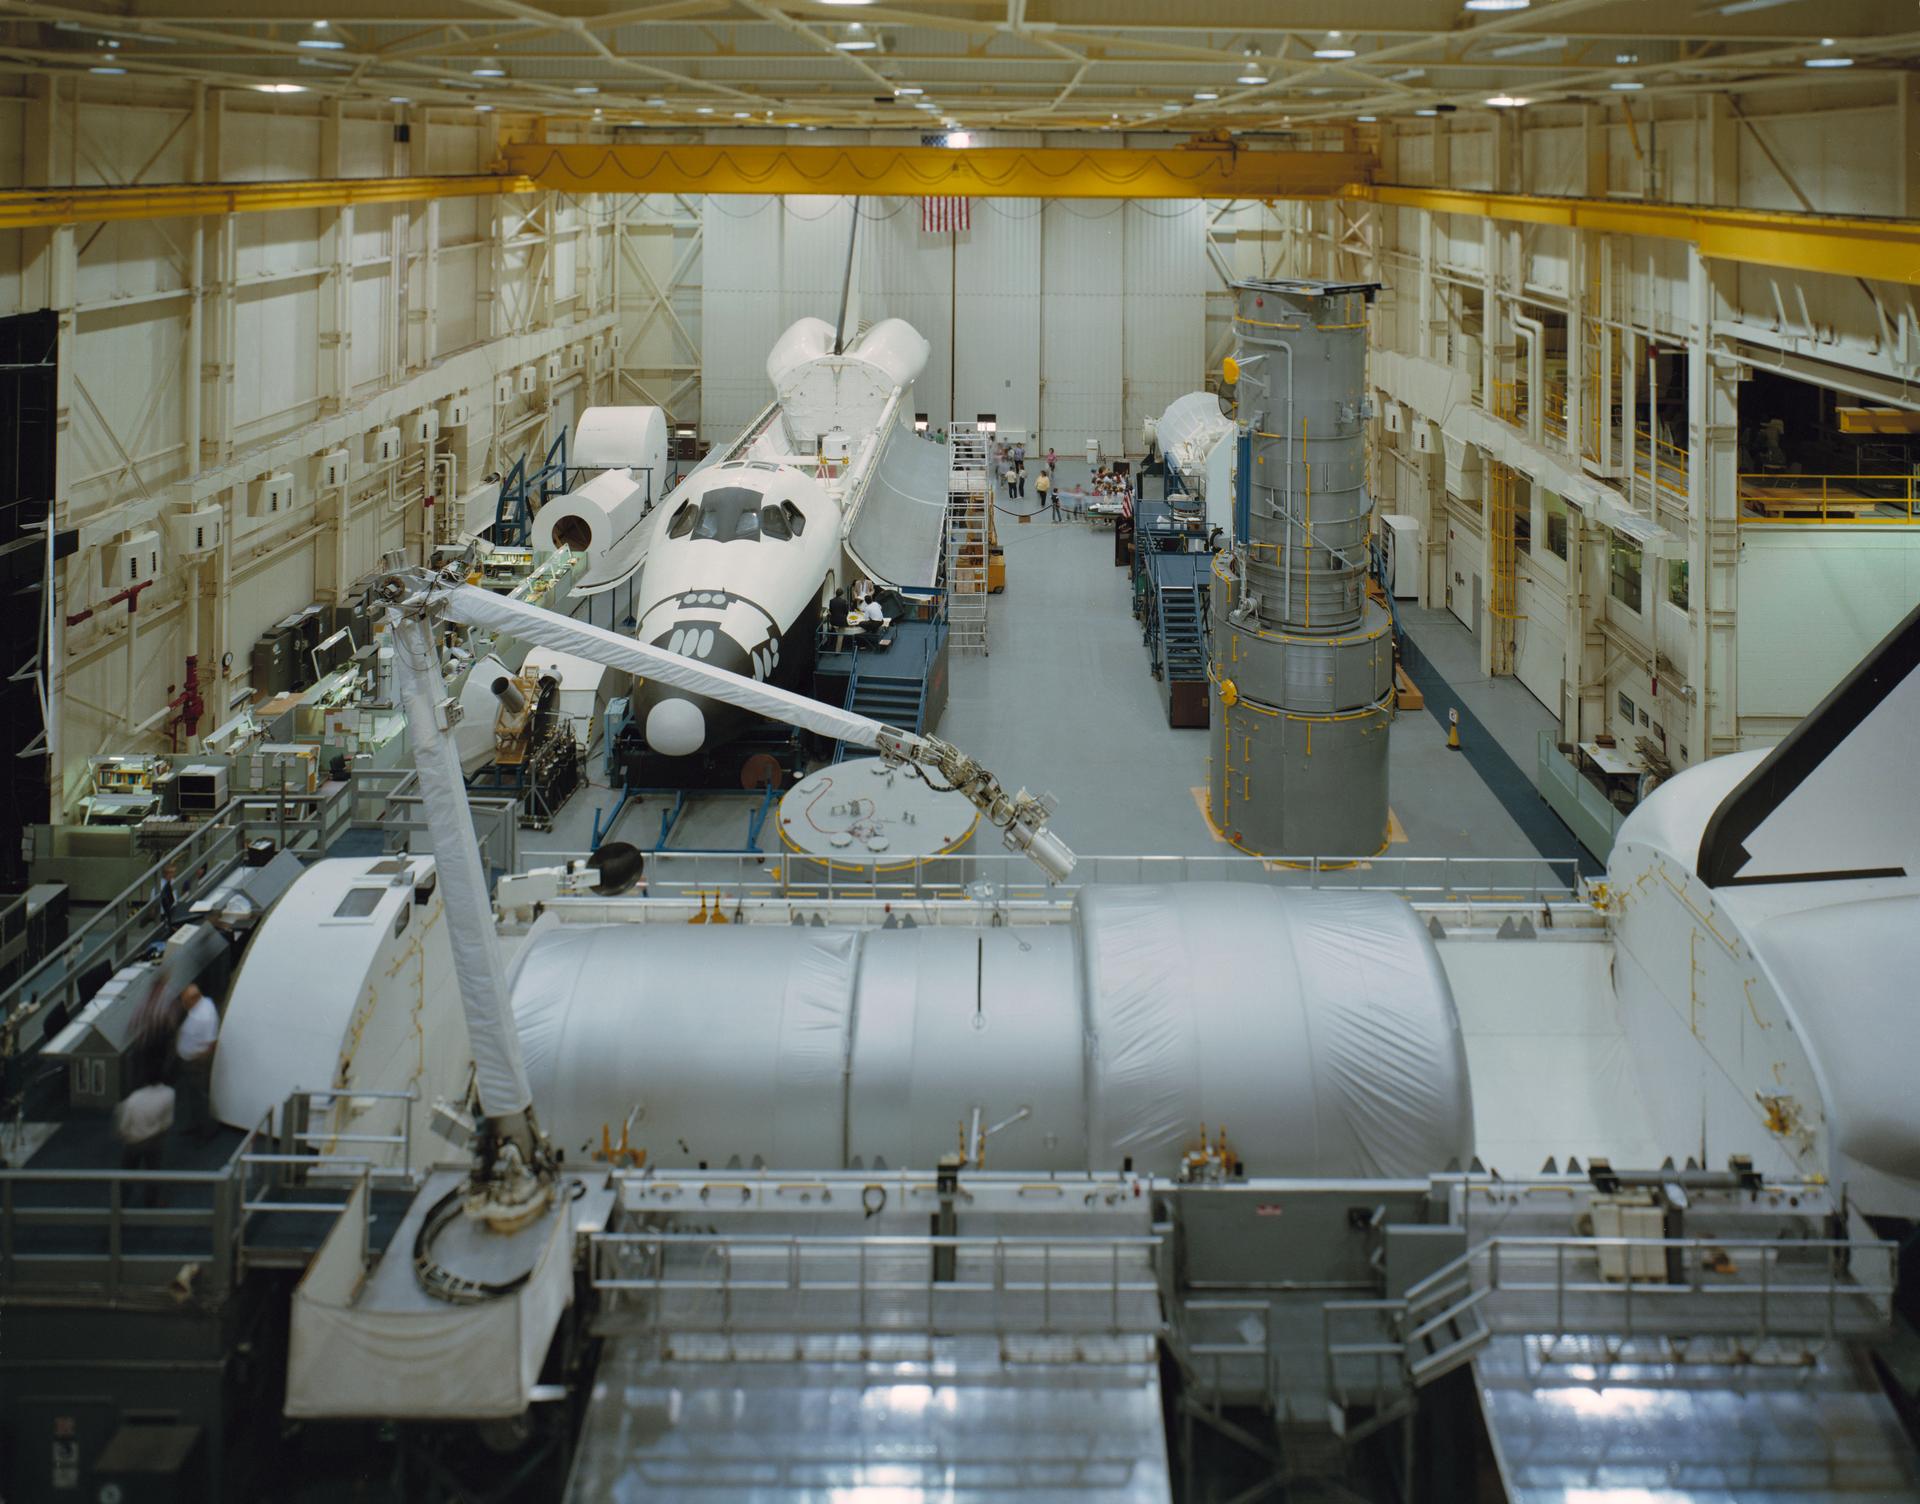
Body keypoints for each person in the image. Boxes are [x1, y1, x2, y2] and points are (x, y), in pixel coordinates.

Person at [114, 1082, 175, 1205]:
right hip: (154, 1139)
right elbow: (167, 1122)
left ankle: (121, 1203)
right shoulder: (168, 1093)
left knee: (127, 1173)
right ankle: (151, 1203)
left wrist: (124, 1136)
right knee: (153, 1172)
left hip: (134, 1141)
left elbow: (123, 1127)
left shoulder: (133, 1099)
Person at [173, 983, 220, 1142]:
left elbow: (211, 1043)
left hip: (196, 1063)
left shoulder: (204, 1017)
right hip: (189, 1060)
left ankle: (207, 1130)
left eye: (185, 1001)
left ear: (194, 999)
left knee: (200, 1097)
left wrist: (200, 1059)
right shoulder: (204, 1003)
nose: (183, 1004)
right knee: (192, 1095)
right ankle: (195, 1123)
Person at [157, 863, 179, 930]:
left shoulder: (174, 881)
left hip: (173, 910)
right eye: (169, 873)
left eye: (173, 872)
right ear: (164, 873)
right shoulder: (159, 885)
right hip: (163, 913)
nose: (172, 875)